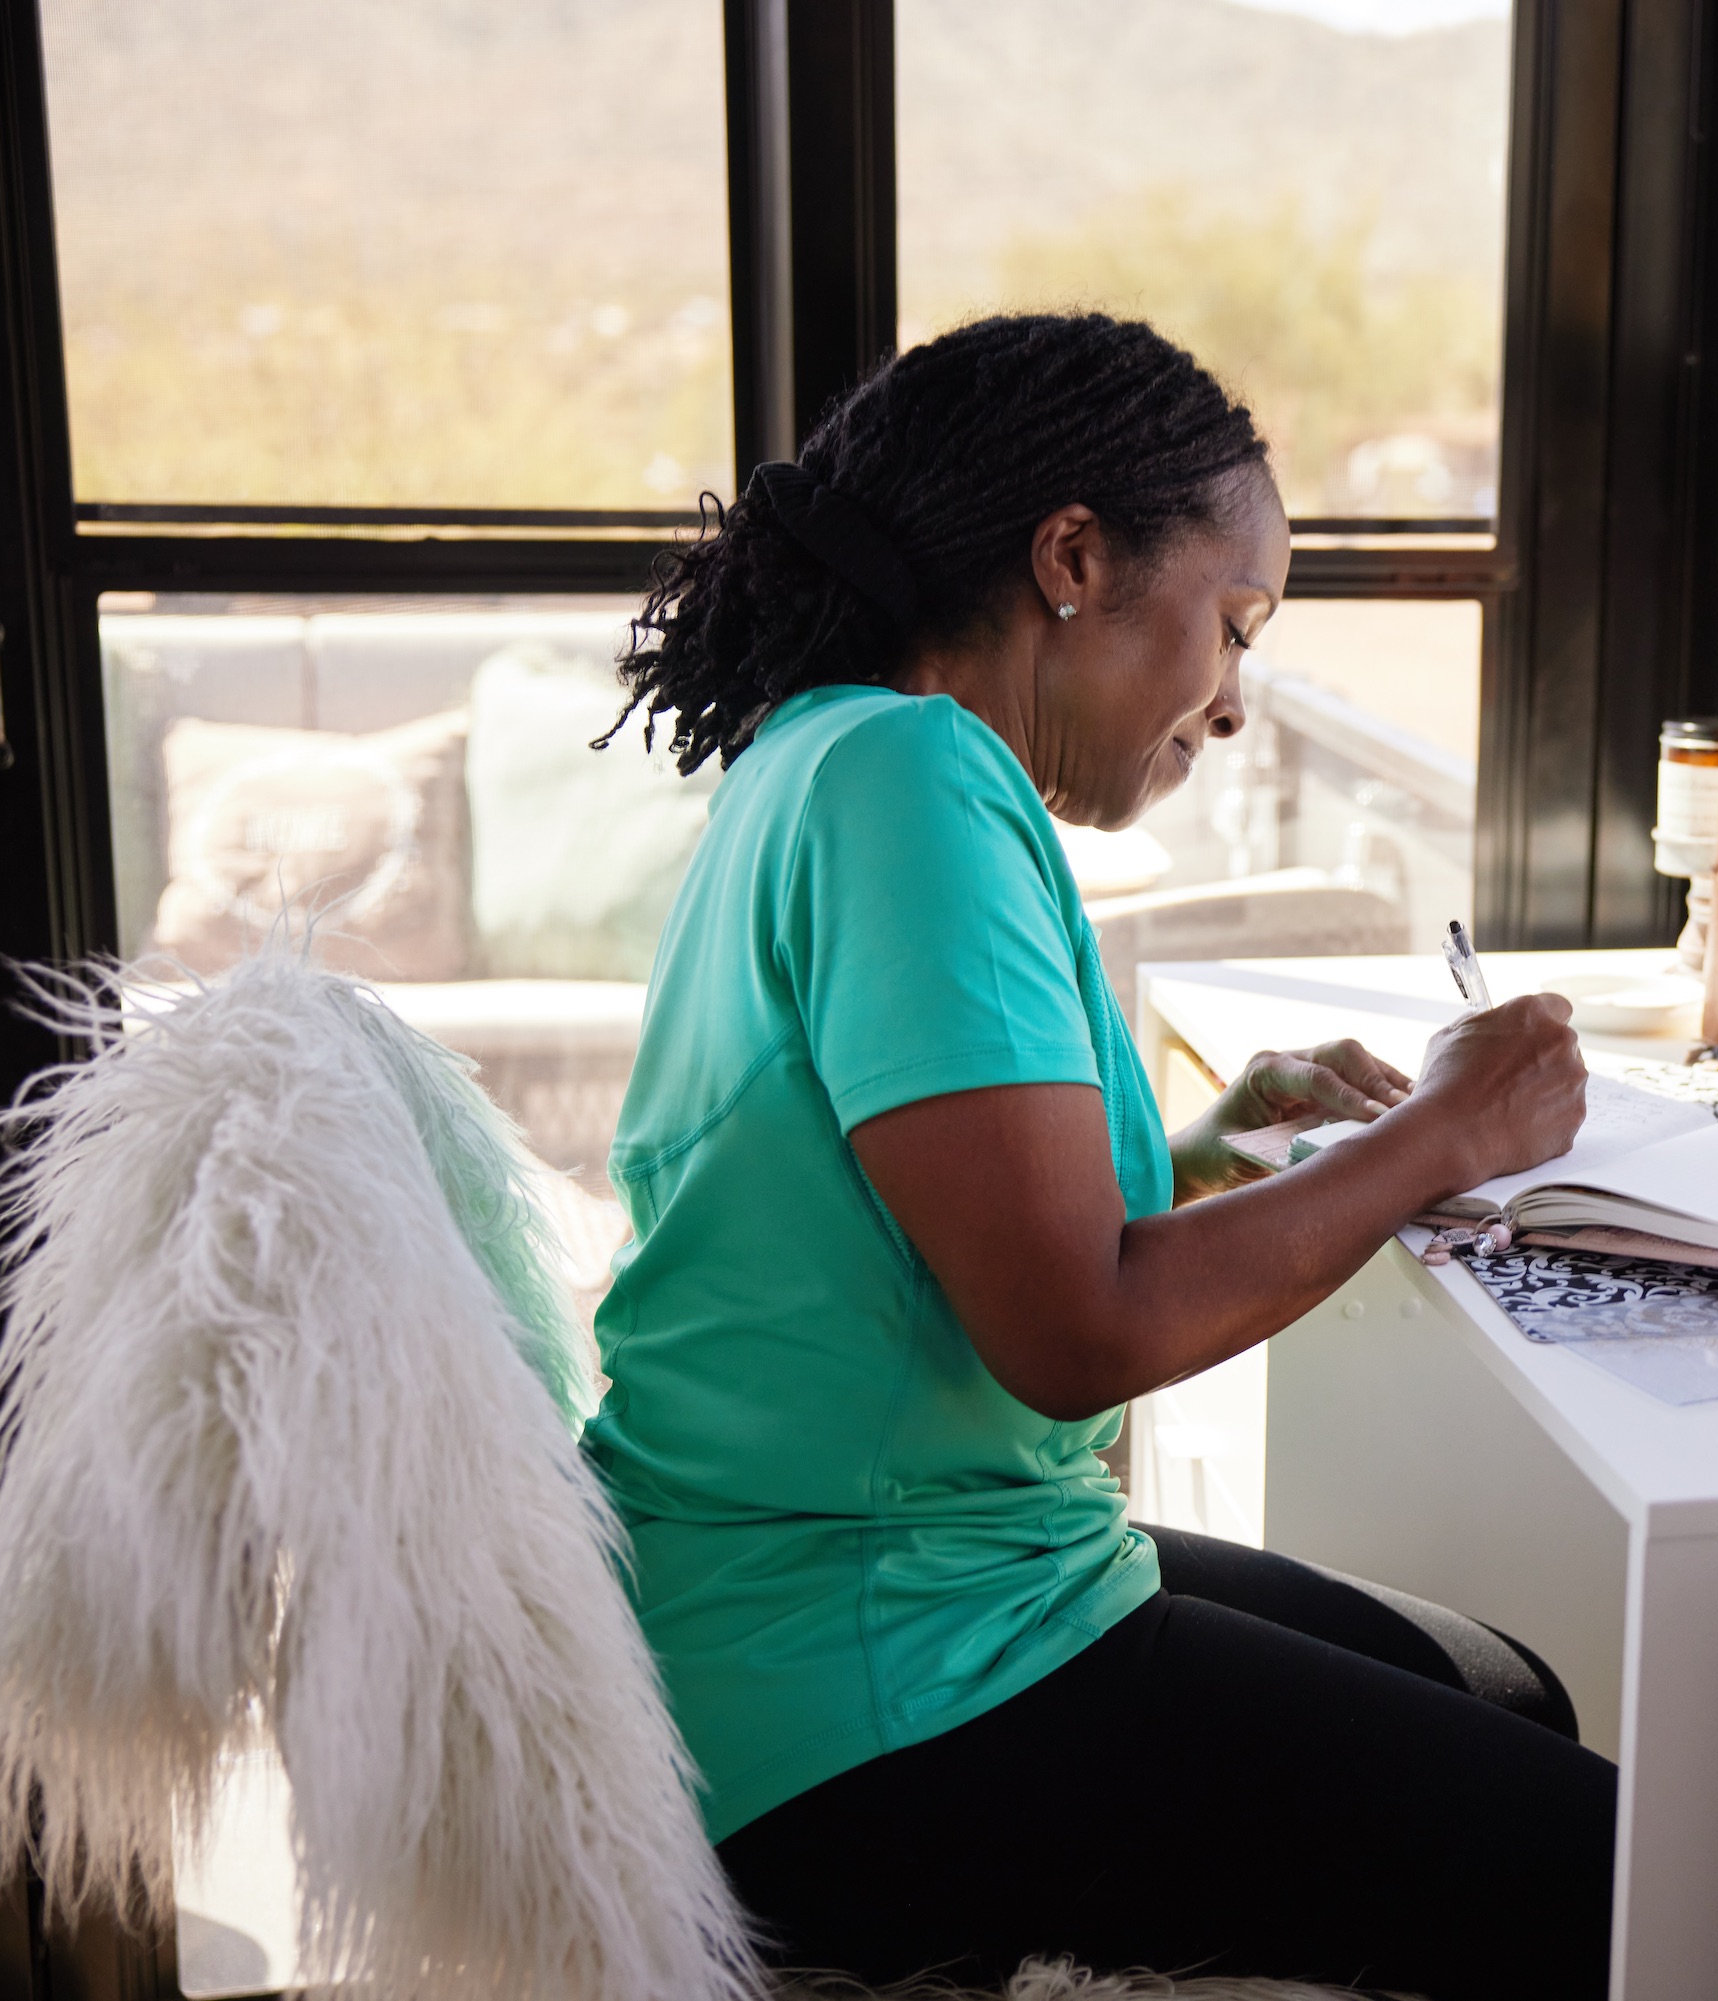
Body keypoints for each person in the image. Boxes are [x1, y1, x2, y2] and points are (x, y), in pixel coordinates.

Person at [580, 312, 1611, 1999]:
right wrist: (1446, 1133)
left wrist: (1211, 1149)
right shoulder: (911, 779)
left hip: (872, 1581)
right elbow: (1075, 1334)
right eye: (1232, 624)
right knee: (1628, 1883)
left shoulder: (827, 756)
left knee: (1512, 1696)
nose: (1231, 707)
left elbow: (918, 1227)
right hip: (868, 1676)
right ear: (1072, 556)